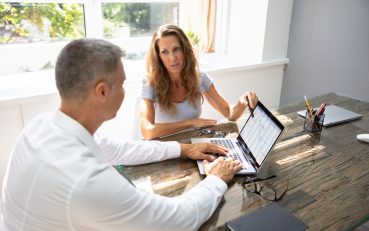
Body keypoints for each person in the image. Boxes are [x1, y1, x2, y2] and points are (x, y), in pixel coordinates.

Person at [0, 38, 242, 231]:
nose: (127, 91)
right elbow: (178, 221)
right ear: (102, 92)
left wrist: (184, 148)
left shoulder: (41, 125)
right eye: (123, 83)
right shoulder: (86, 182)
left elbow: (116, 149)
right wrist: (216, 179)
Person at [140, 24, 258, 140]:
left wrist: (242, 102)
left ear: (185, 50)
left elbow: (230, 114)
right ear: (158, 56)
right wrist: (190, 123)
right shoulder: (150, 82)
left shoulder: (199, 77)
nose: (172, 58)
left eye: (176, 49)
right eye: (165, 52)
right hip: (165, 149)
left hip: (194, 144)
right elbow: (147, 131)